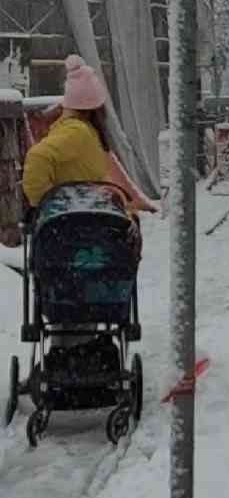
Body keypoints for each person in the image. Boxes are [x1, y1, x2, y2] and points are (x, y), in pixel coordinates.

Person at [22, 55, 142, 345]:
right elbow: (39, 158)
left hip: (66, 225)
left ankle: (71, 357)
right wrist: (47, 198)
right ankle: (85, 353)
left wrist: (43, 201)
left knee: (66, 293)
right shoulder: (80, 133)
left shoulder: (73, 130)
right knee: (88, 291)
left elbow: (39, 158)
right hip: (85, 221)